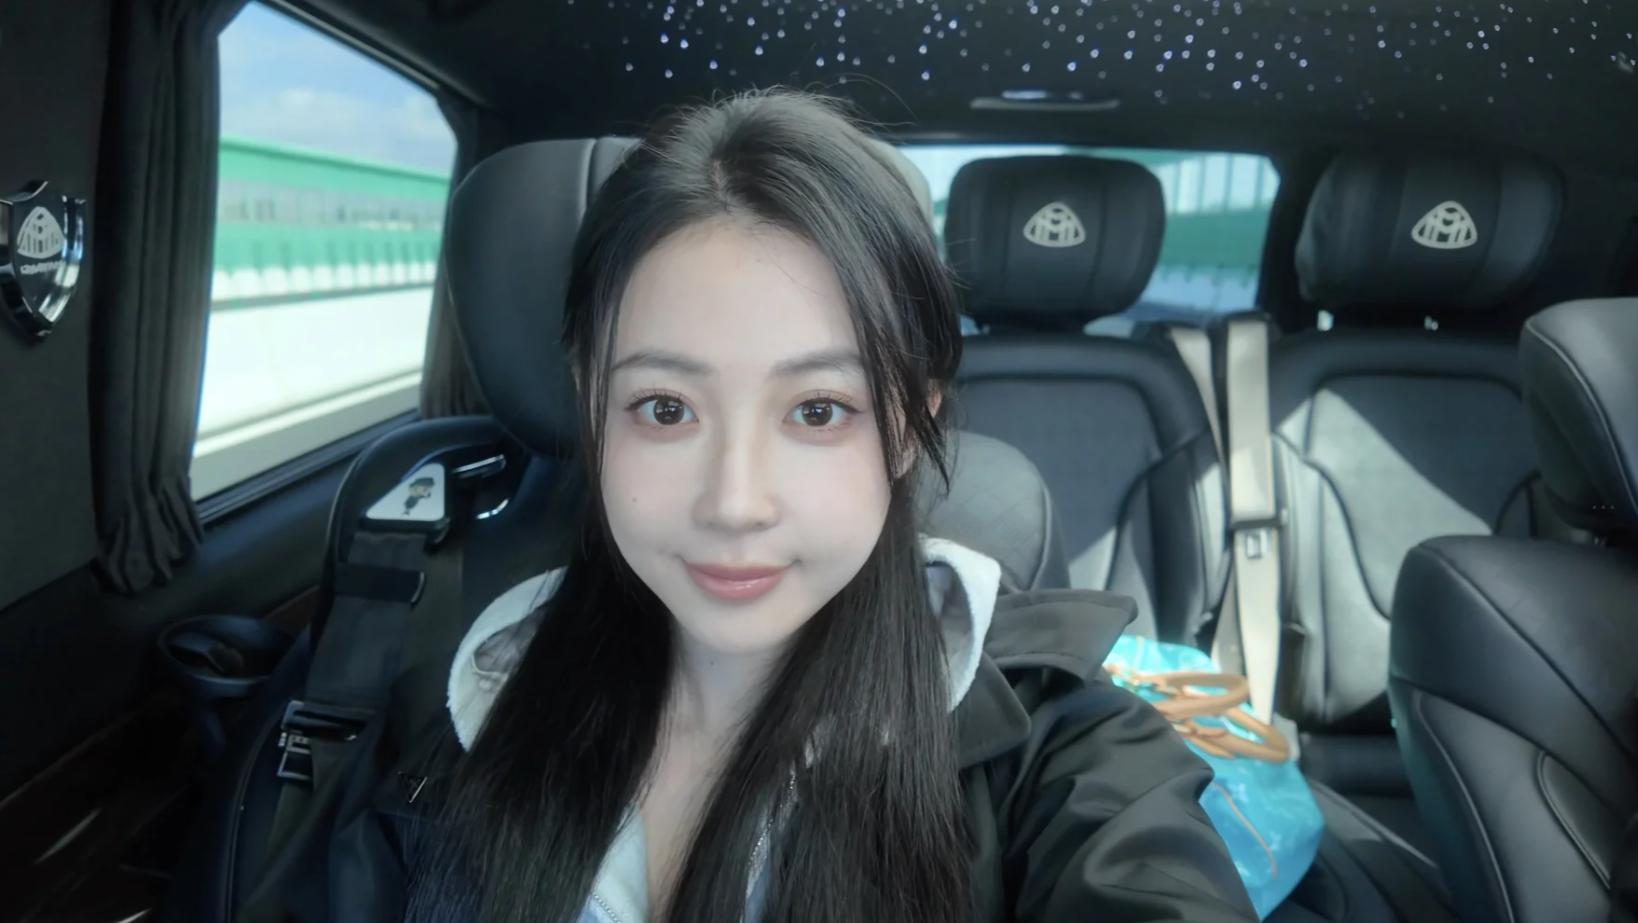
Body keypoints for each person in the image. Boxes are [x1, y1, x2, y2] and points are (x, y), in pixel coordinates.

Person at [402, 89, 1257, 923]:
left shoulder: (1055, 750)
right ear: (592, 405)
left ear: (907, 428)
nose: (735, 503)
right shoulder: (459, 712)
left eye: (817, 410)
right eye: (665, 408)